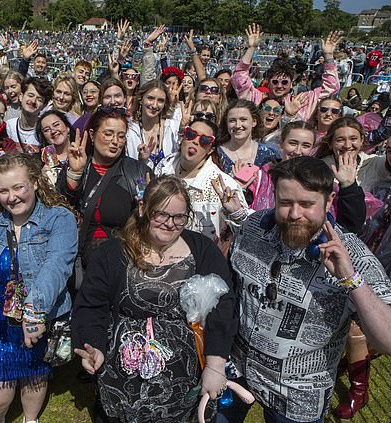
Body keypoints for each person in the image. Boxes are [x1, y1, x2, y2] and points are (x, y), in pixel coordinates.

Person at [220, 156, 391, 423]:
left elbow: (388, 339)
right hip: (236, 372)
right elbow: (245, 233)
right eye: (285, 203)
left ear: (329, 201)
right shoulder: (255, 227)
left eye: (307, 204)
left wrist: (350, 279)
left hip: (298, 400)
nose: (294, 214)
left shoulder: (352, 257)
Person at [72, 175, 237, 422]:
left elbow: (223, 308)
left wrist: (215, 364)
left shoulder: (202, 251)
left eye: (179, 216)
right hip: (123, 376)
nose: (170, 224)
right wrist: (94, 346)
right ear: (143, 209)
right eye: (161, 214)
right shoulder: (113, 252)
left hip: (184, 377)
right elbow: (91, 306)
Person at [0, 152, 77, 423]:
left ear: (34, 182)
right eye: (3, 191)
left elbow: (57, 267)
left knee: (34, 376)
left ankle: (30, 419)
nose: (12, 197)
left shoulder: (59, 219)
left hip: (38, 317)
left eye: (19, 187)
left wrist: (34, 313)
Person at [58, 108, 152, 271]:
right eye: (108, 134)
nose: (115, 141)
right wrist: (75, 174)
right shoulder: (77, 165)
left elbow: (149, 222)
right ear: (93, 135)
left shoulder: (137, 172)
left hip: (121, 264)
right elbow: (60, 208)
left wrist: (145, 210)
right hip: (79, 265)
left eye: (121, 136)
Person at [155, 118, 249, 244]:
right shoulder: (164, 166)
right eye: (191, 134)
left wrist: (236, 214)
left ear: (210, 150)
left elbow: (246, 231)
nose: (195, 142)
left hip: (200, 256)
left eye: (204, 140)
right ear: (183, 137)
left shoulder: (223, 185)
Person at [231, 24, 341, 122]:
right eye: (275, 82)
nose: (279, 86)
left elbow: (331, 88)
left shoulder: (302, 101)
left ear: (291, 83)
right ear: (268, 82)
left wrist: (329, 56)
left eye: (284, 82)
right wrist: (251, 48)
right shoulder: (256, 99)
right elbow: (239, 79)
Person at [126, 80, 181, 168]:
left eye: (160, 100)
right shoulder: (130, 129)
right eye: (150, 98)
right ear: (141, 99)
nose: (155, 105)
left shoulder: (173, 127)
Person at [217, 99, 279, 175]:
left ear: (254, 122)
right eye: (232, 120)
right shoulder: (217, 155)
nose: (238, 125)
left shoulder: (269, 154)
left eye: (243, 120)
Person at [5, 77, 52, 154]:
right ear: (21, 96)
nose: (33, 101)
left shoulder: (45, 130)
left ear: (44, 106)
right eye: (30, 95)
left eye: (39, 99)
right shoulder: (9, 126)